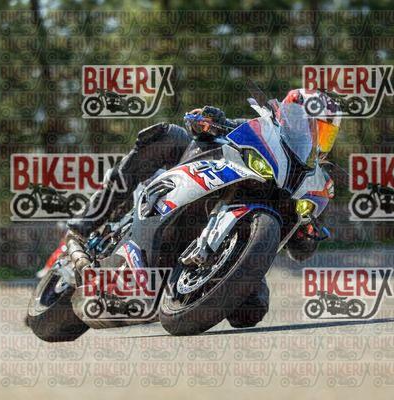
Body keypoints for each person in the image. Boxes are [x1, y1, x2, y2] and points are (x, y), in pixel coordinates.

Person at [67, 88, 341, 328]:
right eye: (309, 125)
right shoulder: (262, 128)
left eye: (325, 134)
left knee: (252, 310)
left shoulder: (314, 184)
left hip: (234, 240)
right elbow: (202, 125)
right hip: (199, 179)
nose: (314, 137)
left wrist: (307, 232)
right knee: (166, 136)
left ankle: (183, 294)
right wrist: (209, 119)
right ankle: (86, 223)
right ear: (289, 114)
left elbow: (299, 252)